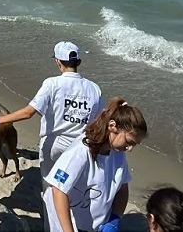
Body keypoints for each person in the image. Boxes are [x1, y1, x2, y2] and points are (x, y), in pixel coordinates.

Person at [0, 41, 103, 184]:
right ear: (79, 62)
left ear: (58, 62)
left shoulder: (52, 84)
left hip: (54, 145)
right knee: (73, 184)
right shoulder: (94, 89)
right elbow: (99, 123)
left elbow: (28, 113)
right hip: (80, 147)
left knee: (51, 185)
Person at [43, 98, 146, 232]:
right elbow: (58, 190)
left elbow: (122, 189)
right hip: (70, 224)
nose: (130, 149)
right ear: (112, 126)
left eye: (134, 145)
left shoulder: (118, 154)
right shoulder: (81, 151)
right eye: (129, 141)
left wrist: (114, 219)